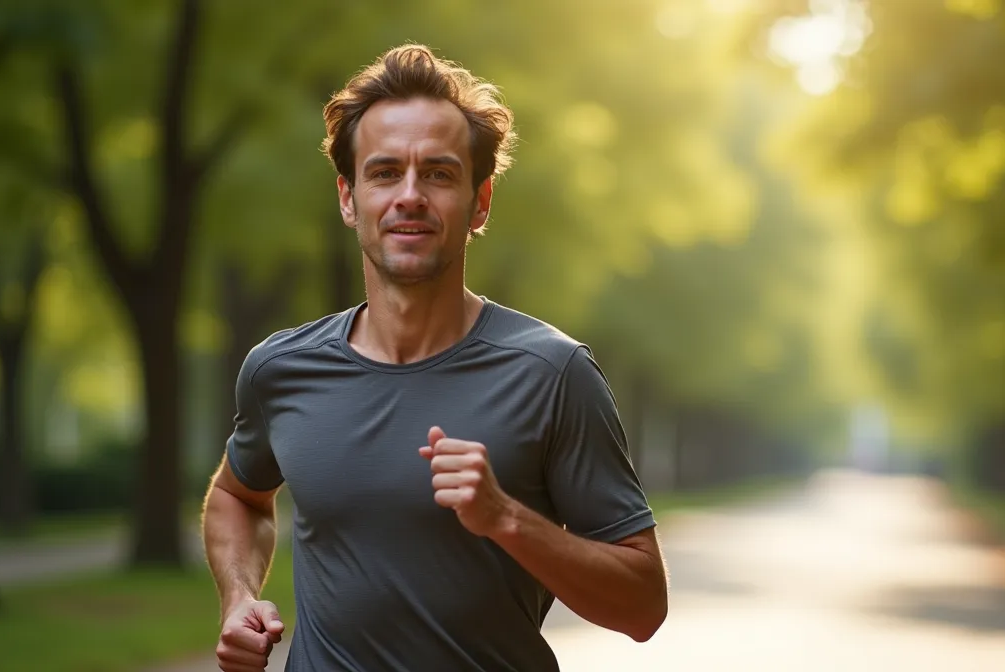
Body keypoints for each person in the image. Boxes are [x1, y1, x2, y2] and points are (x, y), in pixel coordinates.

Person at [200, 43, 669, 672]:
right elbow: (239, 496)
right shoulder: (280, 370)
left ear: (480, 203)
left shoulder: (554, 374)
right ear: (348, 197)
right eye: (386, 172)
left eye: (440, 174)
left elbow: (643, 607)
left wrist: (506, 518)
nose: (410, 196)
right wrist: (237, 598)